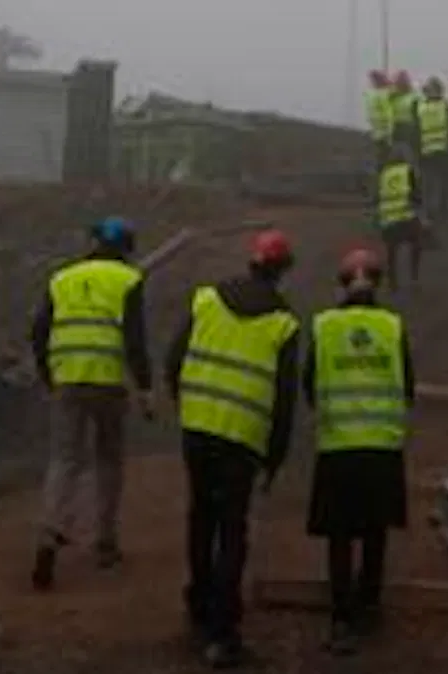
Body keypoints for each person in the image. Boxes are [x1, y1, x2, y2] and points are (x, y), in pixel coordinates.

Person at [172, 227, 303, 669]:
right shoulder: (284, 323)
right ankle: (223, 633)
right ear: (282, 272)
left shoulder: (207, 299)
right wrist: (275, 455)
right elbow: (284, 400)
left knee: (200, 515)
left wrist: (188, 407)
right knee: (232, 529)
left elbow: (175, 359)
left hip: (198, 428)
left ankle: (198, 600)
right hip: (242, 438)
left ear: (252, 262)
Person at [31, 214, 154, 589]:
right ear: (126, 250)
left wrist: (48, 375)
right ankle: (105, 542)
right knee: (108, 460)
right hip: (107, 382)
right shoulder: (128, 280)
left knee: (64, 460)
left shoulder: (62, 278)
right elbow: (135, 340)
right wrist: (145, 389)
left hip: (67, 379)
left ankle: (49, 534)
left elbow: (38, 332)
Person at [305, 245, 415, 655]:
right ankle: (370, 603)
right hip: (382, 446)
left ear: (341, 286)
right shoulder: (392, 326)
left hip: (338, 446)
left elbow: (308, 383)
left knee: (339, 534)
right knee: (374, 529)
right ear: (378, 285)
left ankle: (341, 618)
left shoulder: (324, 326)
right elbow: (408, 385)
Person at [373, 140, 427, 294]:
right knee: (417, 245)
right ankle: (414, 279)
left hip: (388, 220)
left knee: (392, 253)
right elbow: (416, 195)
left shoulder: (384, 175)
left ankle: (392, 283)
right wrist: (423, 216)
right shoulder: (408, 171)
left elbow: (377, 198)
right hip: (406, 217)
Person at [410, 78, 448, 224]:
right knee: (428, 184)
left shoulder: (444, 107)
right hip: (427, 151)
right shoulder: (420, 107)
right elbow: (415, 130)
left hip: (442, 151)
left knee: (442, 184)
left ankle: (441, 210)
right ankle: (430, 212)